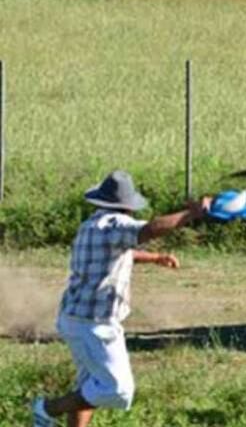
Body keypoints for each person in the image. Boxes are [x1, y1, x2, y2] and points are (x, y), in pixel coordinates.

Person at [32, 170, 211, 427]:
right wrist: (191, 214)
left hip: (74, 318)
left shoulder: (92, 226)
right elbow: (152, 229)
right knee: (118, 390)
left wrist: (155, 258)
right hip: (95, 324)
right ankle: (46, 409)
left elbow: (119, 253)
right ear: (127, 206)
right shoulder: (116, 225)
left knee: (88, 385)